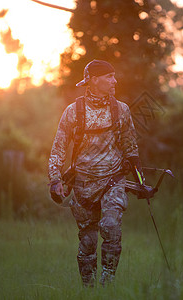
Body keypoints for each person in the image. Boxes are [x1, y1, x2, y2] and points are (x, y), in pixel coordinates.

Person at [48, 59, 145, 287]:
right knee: (88, 241)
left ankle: (107, 283)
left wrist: (141, 181)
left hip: (113, 181)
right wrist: (54, 179)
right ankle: (89, 290)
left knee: (111, 226)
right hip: (82, 185)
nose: (115, 81)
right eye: (109, 77)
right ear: (93, 80)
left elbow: (131, 148)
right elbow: (58, 149)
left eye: (114, 76)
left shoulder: (121, 110)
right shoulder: (73, 112)